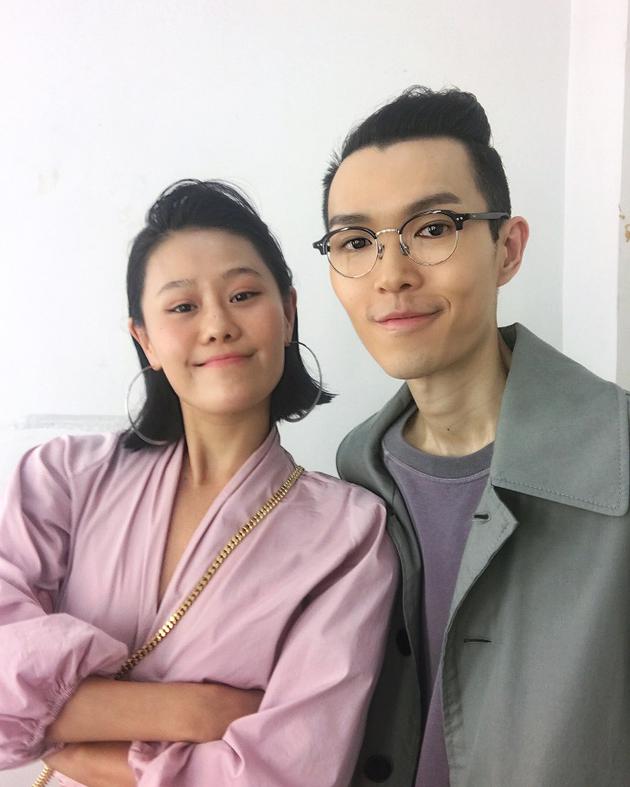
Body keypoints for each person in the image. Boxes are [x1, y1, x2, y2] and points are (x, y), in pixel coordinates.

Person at [0, 179, 398, 787]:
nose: (217, 325)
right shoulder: (62, 479)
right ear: (145, 340)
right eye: (182, 307)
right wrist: (199, 711)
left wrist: (69, 740)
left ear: (287, 314)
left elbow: (289, 773)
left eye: (243, 295)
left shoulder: (350, 535)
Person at [312, 87, 630, 786]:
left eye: (433, 228)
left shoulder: (618, 458)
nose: (391, 276)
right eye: (356, 242)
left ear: (507, 249)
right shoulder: (356, 475)